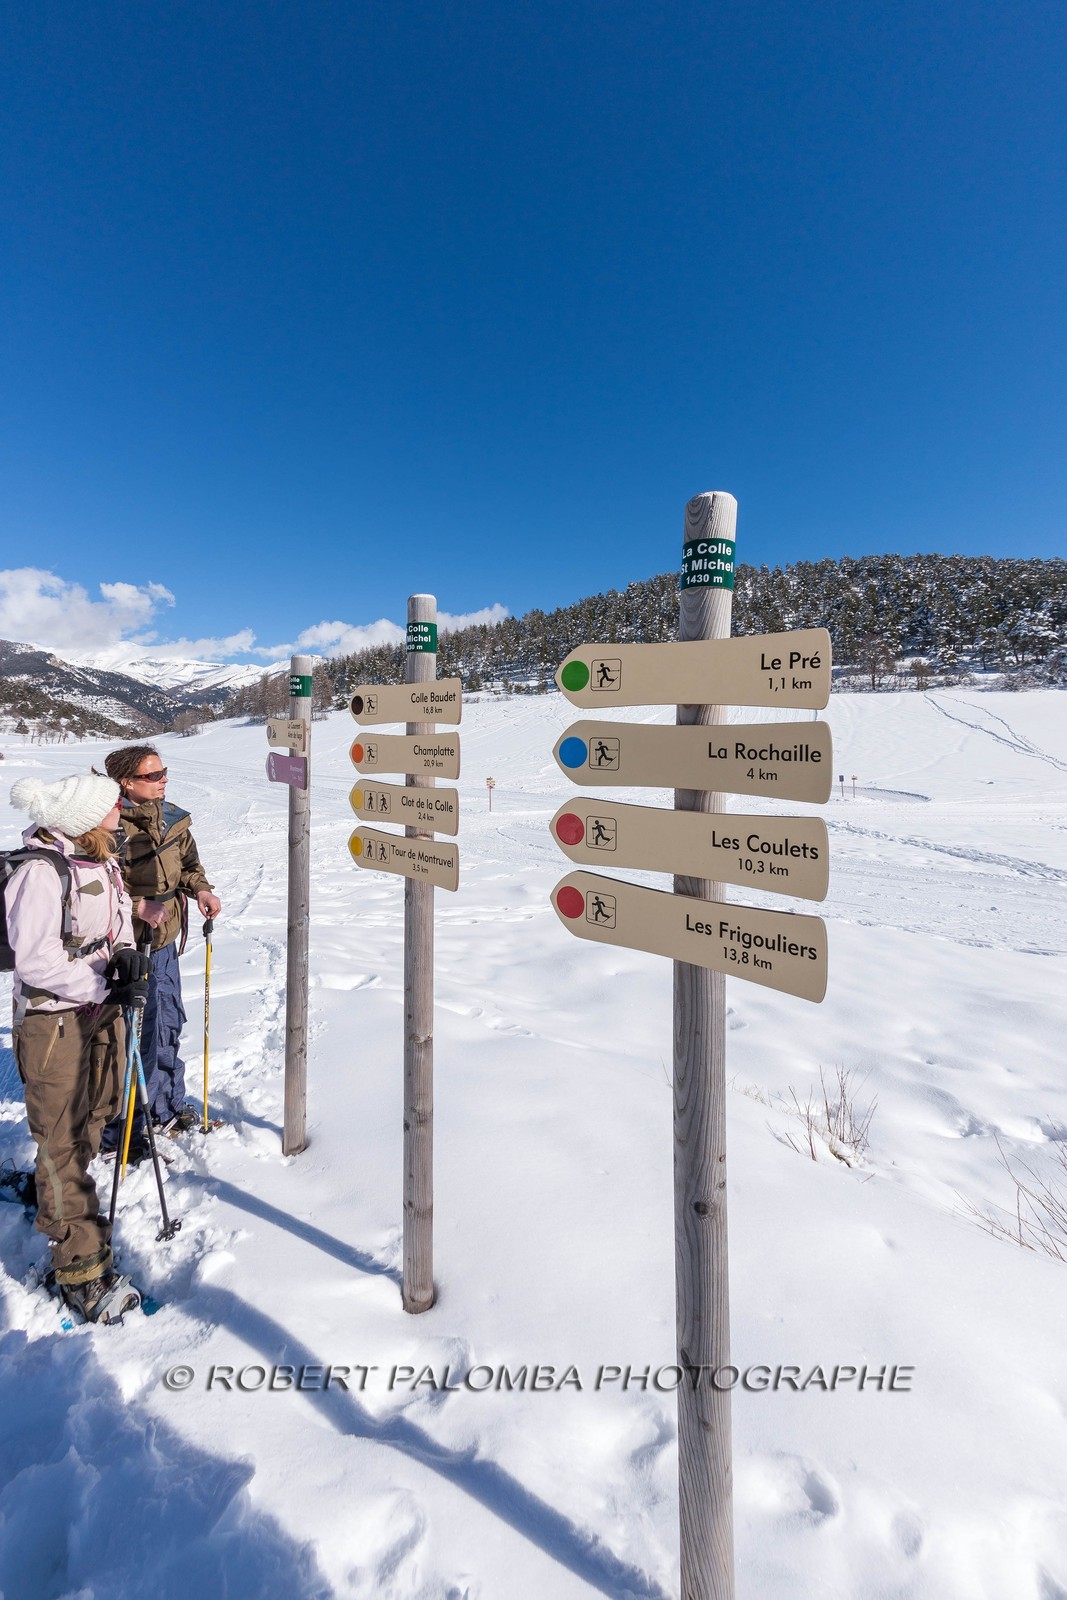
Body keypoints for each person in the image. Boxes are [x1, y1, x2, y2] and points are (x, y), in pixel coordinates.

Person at [6, 773, 146, 1321]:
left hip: (99, 1013)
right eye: (112, 802)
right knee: (61, 1140)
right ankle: (80, 1270)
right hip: (54, 1023)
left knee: (96, 1115)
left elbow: (117, 927)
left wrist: (128, 956)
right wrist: (102, 983)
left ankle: (57, 1201)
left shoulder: (103, 860)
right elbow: (35, 960)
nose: (121, 808)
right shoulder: (42, 871)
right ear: (86, 816)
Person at [101, 745, 221, 1144]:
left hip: (165, 941)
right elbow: (98, 886)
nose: (163, 780)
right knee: (135, 1032)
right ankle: (126, 1122)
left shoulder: (171, 819)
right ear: (126, 782)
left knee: (168, 1018)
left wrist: (200, 889)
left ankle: (166, 1105)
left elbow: (189, 865)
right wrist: (137, 905)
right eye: (152, 776)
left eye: (163, 772)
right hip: (126, 947)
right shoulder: (108, 825)